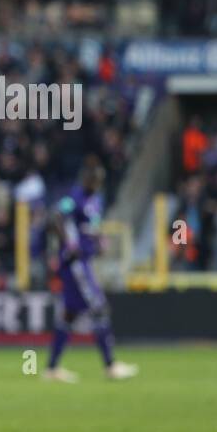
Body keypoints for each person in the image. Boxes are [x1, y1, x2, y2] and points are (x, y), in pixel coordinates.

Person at [44, 162, 138, 383]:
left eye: (98, 180)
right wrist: (69, 244)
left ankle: (52, 368)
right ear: (85, 178)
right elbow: (55, 216)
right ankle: (110, 365)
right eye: (93, 179)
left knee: (70, 314)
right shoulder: (74, 197)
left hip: (85, 261)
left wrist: (99, 241)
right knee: (99, 308)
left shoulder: (96, 200)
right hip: (76, 264)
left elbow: (91, 228)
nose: (95, 183)